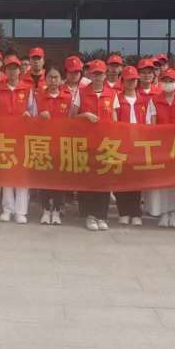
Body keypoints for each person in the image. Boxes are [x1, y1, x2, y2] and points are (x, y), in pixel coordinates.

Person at [75, 59, 119, 231]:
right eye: (95, 73)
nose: (98, 77)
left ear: (105, 74)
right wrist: (85, 115)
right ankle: (90, 215)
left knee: (104, 181)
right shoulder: (81, 93)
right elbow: (72, 117)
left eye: (100, 73)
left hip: (106, 144)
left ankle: (102, 215)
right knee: (90, 181)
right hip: (87, 143)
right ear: (90, 75)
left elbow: (115, 119)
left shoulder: (112, 94)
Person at [0, 55, 35, 223]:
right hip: (4, 137)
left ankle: (21, 211)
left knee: (22, 175)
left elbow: (33, 111)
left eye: (15, 68)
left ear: (20, 71)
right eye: (9, 68)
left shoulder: (27, 89)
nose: (12, 71)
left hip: (22, 137)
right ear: (5, 71)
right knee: (7, 174)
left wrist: (28, 115)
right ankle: (7, 209)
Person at [146, 68, 175, 228]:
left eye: (171, 81)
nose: (168, 84)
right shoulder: (154, 100)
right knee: (162, 181)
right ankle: (163, 212)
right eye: (165, 81)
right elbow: (151, 123)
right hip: (161, 146)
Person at [35, 64, 74, 225]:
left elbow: (72, 121)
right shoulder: (39, 97)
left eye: (56, 77)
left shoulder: (68, 98)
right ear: (45, 79)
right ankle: (45, 210)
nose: (53, 80)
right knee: (45, 178)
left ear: (61, 80)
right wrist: (39, 117)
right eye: (50, 77)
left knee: (58, 179)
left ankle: (57, 210)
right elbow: (30, 120)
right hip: (43, 143)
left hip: (61, 144)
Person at [115, 64, 154, 225]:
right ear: (122, 81)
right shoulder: (117, 98)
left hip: (139, 145)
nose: (131, 83)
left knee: (136, 179)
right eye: (128, 80)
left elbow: (149, 123)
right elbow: (113, 121)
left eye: (134, 80)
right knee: (122, 179)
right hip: (121, 144)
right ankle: (123, 212)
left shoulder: (145, 100)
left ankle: (135, 212)